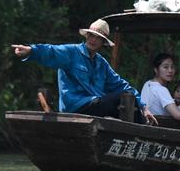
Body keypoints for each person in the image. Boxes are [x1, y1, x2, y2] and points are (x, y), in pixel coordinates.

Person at [11, 19, 158, 124]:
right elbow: (51, 52)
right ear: (87, 36)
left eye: (98, 38)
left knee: (129, 98)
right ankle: (142, 131)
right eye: (91, 35)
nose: (93, 40)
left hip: (95, 106)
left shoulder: (101, 63)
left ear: (102, 43)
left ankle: (142, 132)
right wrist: (31, 51)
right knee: (120, 98)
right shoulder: (71, 52)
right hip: (76, 106)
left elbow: (122, 85)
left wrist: (144, 106)